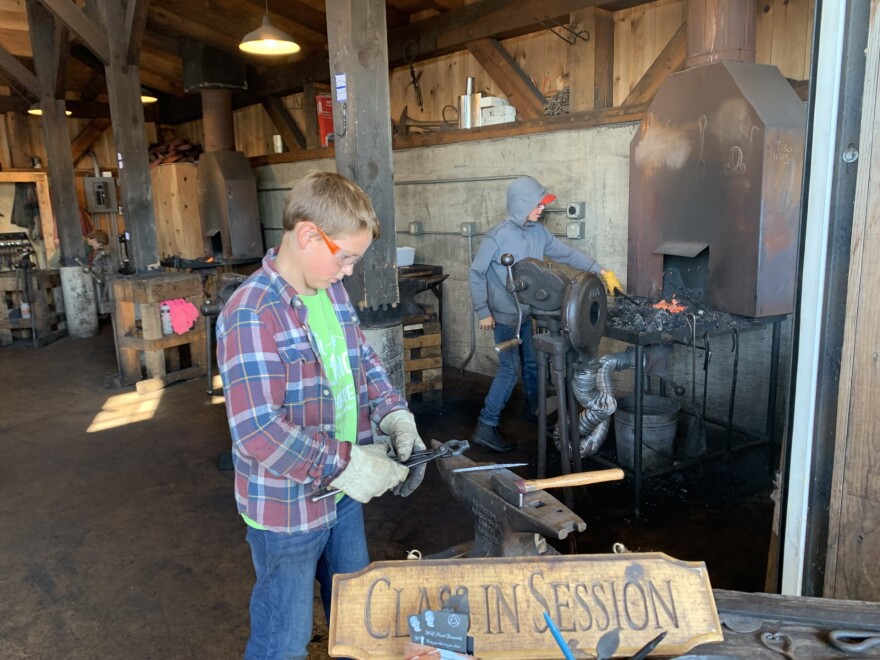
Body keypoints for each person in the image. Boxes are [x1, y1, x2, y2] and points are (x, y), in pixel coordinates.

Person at [216, 171, 427, 659]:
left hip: (342, 499)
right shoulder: (252, 312)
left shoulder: (328, 289)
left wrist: (396, 414)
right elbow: (258, 432)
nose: (350, 270)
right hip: (286, 509)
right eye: (347, 256)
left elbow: (362, 360)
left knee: (355, 624)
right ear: (309, 234)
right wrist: (349, 463)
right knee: (283, 642)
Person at [468, 175, 622, 453]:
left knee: (530, 365)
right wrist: (483, 311)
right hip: (503, 317)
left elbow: (565, 254)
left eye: (543, 204)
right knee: (509, 369)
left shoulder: (538, 233)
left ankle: (534, 410)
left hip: (527, 314)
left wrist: (600, 270)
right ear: (522, 204)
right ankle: (485, 425)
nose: (542, 209)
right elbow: (476, 273)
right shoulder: (497, 237)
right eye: (538, 204)